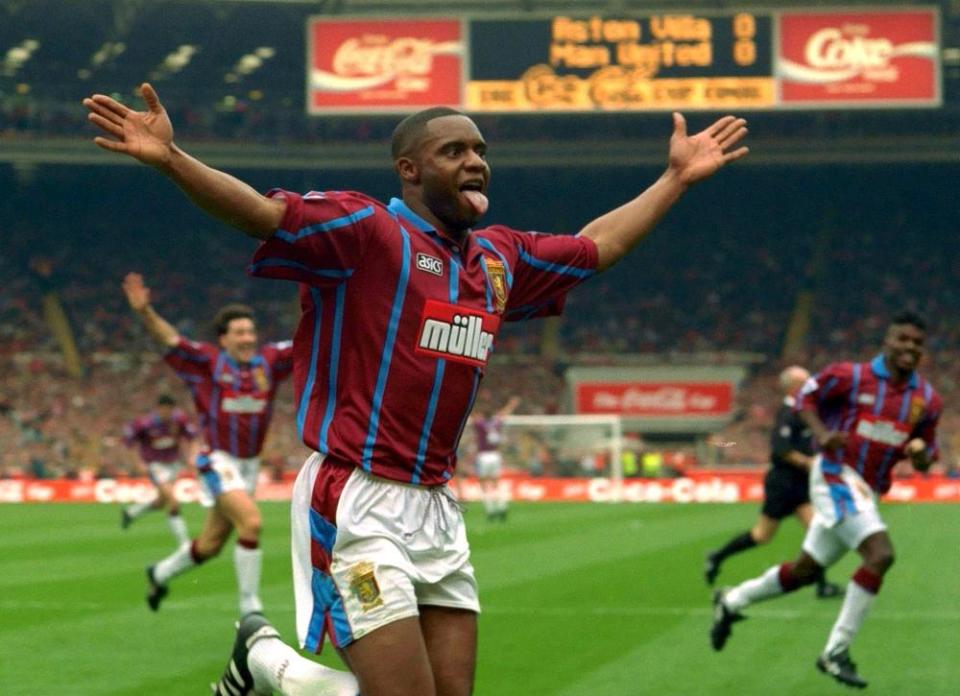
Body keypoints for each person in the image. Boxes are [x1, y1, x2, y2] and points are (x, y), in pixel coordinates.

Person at [84, 82, 748, 696]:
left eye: (480, 151)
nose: (475, 162)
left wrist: (675, 179)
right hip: (356, 495)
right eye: (453, 150)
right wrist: (172, 159)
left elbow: (595, 247)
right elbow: (262, 214)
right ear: (410, 168)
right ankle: (264, 657)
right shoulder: (368, 233)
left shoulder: (498, 258)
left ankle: (265, 661)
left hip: (436, 504)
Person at [710, 312, 941, 689]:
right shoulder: (850, 376)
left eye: (917, 342)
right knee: (881, 555)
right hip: (835, 474)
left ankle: (731, 601)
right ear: (887, 341)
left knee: (805, 572)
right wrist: (822, 432)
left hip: (868, 488)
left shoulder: (926, 400)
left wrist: (919, 453)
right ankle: (835, 651)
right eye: (903, 339)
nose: (910, 348)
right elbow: (804, 398)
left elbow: (926, 452)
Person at [121, 272, 294, 618]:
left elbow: (307, 341)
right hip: (217, 460)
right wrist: (145, 313)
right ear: (223, 338)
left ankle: (160, 574)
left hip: (248, 465)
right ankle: (250, 610)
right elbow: (172, 341)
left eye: (250, 331)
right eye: (239, 333)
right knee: (252, 523)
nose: (248, 338)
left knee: (211, 544)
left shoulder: (270, 363)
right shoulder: (207, 364)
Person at [704, 365, 841, 598]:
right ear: (793, 387)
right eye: (805, 381)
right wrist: (810, 464)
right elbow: (781, 449)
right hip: (783, 484)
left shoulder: (802, 410)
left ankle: (821, 585)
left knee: (816, 530)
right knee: (762, 536)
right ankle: (717, 556)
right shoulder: (787, 413)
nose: (811, 385)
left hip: (798, 484)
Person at [120, 393, 199, 545]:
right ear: (158, 409)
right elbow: (128, 443)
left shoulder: (179, 420)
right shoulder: (144, 424)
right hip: (155, 465)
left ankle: (131, 513)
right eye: (164, 410)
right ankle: (184, 544)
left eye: (170, 410)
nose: (167, 413)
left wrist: (192, 455)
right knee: (173, 501)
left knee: (161, 502)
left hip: (173, 464)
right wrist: (139, 463)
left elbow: (193, 438)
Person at [471, 394, 520, 521]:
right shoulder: (496, 422)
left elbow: (472, 414)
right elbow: (503, 413)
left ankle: (490, 509)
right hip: (495, 455)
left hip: (483, 455)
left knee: (483, 483)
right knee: (496, 483)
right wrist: (512, 404)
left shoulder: (480, 425)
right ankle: (502, 507)